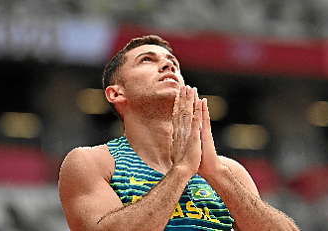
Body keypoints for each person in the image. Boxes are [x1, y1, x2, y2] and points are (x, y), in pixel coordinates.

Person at [58, 35, 299, 231]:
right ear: (116, 93)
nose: (168, 65)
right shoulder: (92, 162)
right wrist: (181, 171)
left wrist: (216, 173)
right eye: (146, 60)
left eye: (172, 62)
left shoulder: (229, 171)